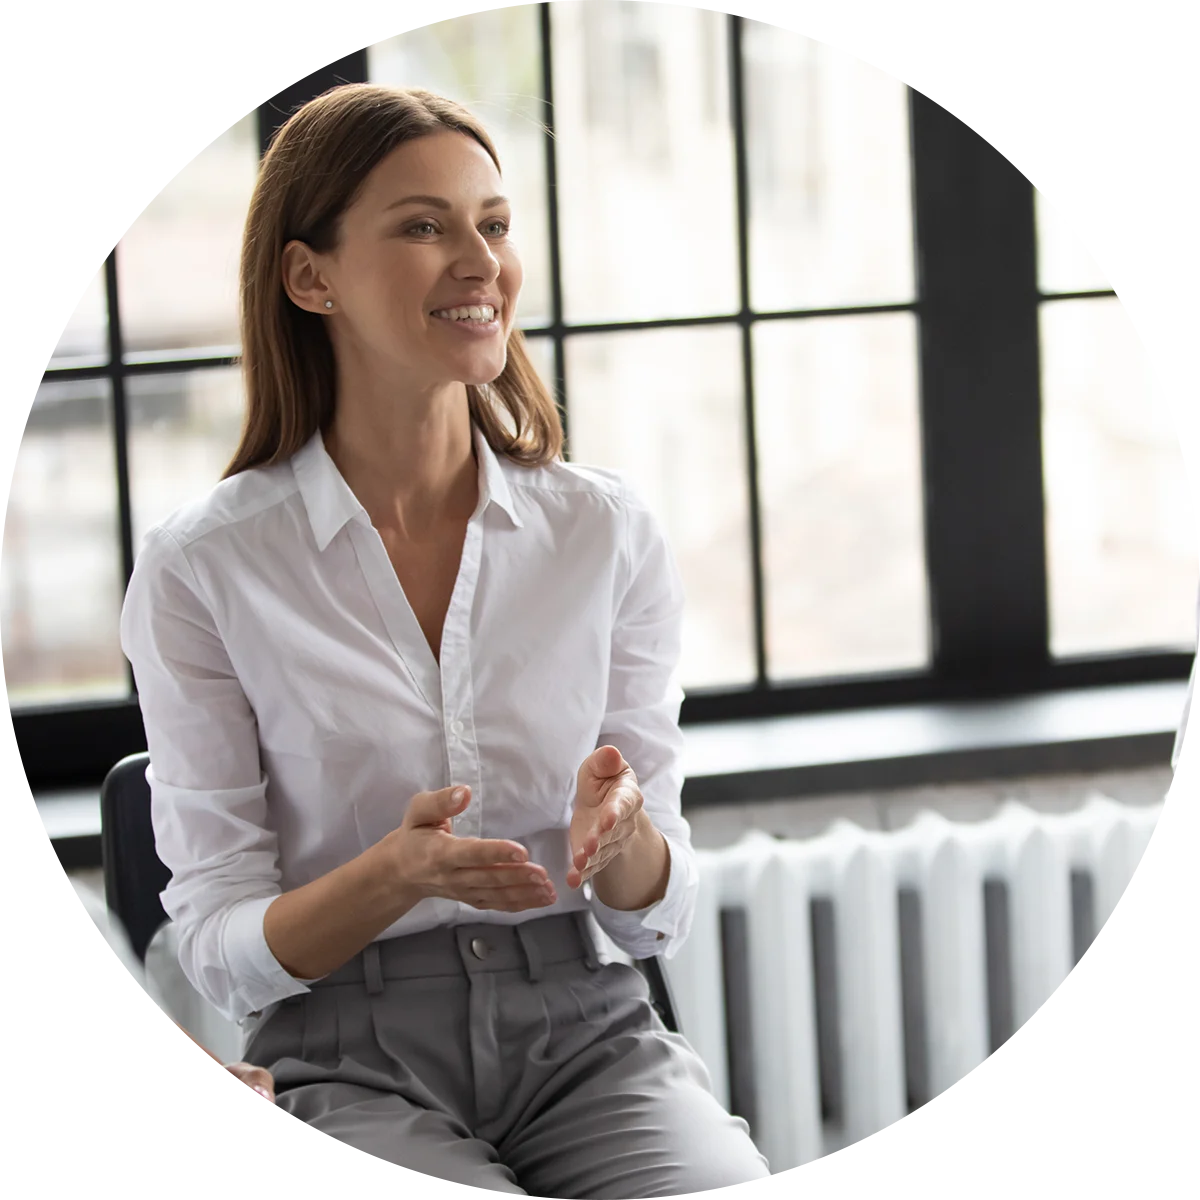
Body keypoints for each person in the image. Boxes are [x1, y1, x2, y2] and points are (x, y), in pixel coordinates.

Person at [119, 82, 773, 1198]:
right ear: (308, 276)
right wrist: (392, 877)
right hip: (342, 1063)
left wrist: (624, 845)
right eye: (424, 226)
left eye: (495, 223)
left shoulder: (603, 530)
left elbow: (662, 911)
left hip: (590, 1038)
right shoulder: (202, 569)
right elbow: (218, 946)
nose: (482, 261)